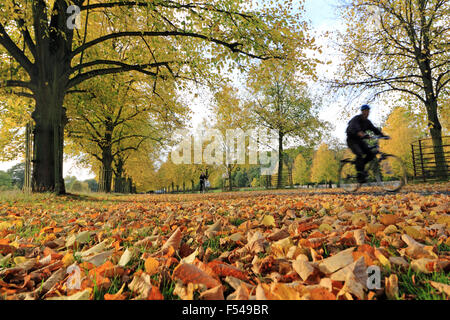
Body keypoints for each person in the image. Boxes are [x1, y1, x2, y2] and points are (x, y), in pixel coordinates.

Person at [346, 105, 389, 183]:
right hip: (351, 140)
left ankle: (361, 167)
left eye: (368, 111)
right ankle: (359, 174)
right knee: (360, 153)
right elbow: (355, 128)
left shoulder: (367, 122)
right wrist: (361, 133)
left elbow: (374, 129)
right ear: (362, 112)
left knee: (371, 154)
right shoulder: (356, 119)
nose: (367, 113)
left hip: (360, 141)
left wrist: (382, 135)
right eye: (365, 111)